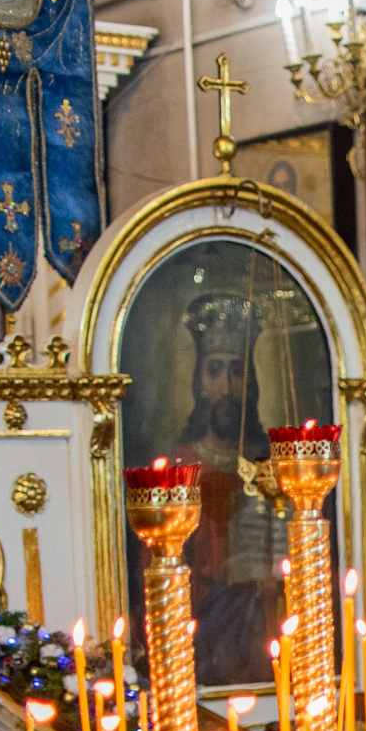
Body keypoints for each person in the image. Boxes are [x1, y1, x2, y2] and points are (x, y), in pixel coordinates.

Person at [162, 292, 288, 687]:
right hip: (206, 619)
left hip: (272, 615)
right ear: (199, 382)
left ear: (250, 383)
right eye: (214, 371)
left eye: (237, 371)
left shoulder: (277, 458)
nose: (227, 386)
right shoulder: (183, 464)